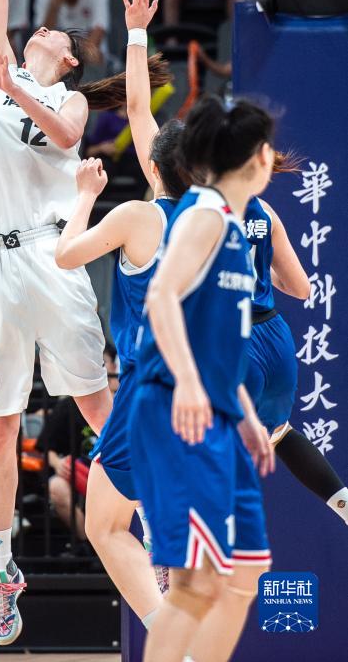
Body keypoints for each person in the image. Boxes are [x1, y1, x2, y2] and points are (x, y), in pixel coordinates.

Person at [0, 0, 167, 646]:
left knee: (97, 407)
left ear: (69, 54)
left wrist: (13, 89)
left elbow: (62, 133)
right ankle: (2, 570)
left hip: (52, 256)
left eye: (56, 30)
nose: (42, 25)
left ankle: (151, 531)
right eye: (37, 24)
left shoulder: (69, 97)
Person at [55, 0, 186, 622]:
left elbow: (65, 255)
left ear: (155, 166)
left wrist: (84, 197)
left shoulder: (139, 216)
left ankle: (171, 644)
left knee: (105, 527)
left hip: (149, 390)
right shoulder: (231, 220)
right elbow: (139, 110)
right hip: (212, 392)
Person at [130, 95, 276, 662]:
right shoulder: (203, 216)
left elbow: (211, 337)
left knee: (243, 576)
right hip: (177, 408)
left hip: (219, 413)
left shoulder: (232, 227)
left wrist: (244, 412)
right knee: (197, 584)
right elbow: (162, 296)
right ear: (257, 157)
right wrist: (191, 384)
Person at [243, 186, 348, 524]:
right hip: (275, 338)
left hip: (234, 341)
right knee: (279, 432)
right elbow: (301, 288)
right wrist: (260, 273)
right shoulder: (263, 210)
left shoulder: (195, 210)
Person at [37, 344, 119, 543]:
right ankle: (91, 544)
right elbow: (46, 447)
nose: (97, 367)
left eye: (102, 362)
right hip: (80, 474)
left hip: (118, 474)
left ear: (114, 367)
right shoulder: (69, 405)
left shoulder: (127, 403)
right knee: (56, 486)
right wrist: (58, 464)